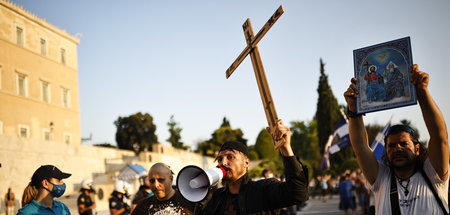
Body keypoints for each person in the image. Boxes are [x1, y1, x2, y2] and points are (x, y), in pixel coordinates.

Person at [344, 64, 449, 214]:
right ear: (385, 151)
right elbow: (360, 148)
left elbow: (440, 136)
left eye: (404, 144)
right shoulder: (381, 179)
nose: (397, 148)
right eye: (391, 146)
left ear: (417, 148)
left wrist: (422, 91)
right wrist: (353, 110)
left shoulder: (434, 173)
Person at [202, 119, 309, 214]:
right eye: (220, 159)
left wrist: (286, 149)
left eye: (230, 157)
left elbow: (298, 194)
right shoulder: (216, 198)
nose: (223, 163)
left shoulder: (264, 189)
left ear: (246, 163)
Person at [131, 163, 197, 214]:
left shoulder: (189, 202)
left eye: (160, 180)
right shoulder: (142, 207)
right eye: (152, 181)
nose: (156, 185)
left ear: (171, 179)